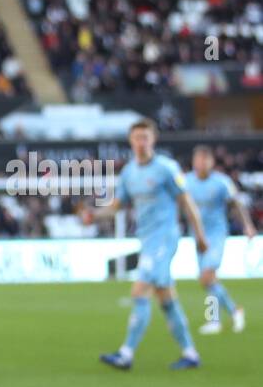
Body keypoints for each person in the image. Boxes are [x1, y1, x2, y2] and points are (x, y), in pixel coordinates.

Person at [86, 120, 207, 370]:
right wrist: (94, 216)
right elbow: (117, 205)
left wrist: (200, 236)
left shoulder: (166, 168)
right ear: (131, 141)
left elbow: (187, 202)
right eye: (136, 137)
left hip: (164, 238)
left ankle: (126, 354)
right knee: (166, 297)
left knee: (139, 291)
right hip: (147, 239)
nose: (141, 142)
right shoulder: (129, 172)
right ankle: (190, 353)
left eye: (145, 137)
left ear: (153, 139)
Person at [186, 145, 253, 334]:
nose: (201, 163)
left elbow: (236, 203)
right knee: (208, 280)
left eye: (205, 160)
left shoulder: (221, 182)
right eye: (198, 160)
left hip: (216, 235)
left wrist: (247, 225)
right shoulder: (186, 182)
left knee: (207, 275)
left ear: (212, 162)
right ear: (193, 162)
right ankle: (223, 316)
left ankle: (223, 315)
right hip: (197, 236)